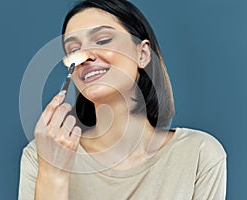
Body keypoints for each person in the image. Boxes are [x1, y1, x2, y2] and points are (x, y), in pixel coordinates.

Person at [18, 0, 227, 199]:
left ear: (143, 54)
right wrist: (53, 174)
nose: (85, 57)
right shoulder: (40, 155)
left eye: (102, 40)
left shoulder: (198, 154)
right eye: (74, 50)